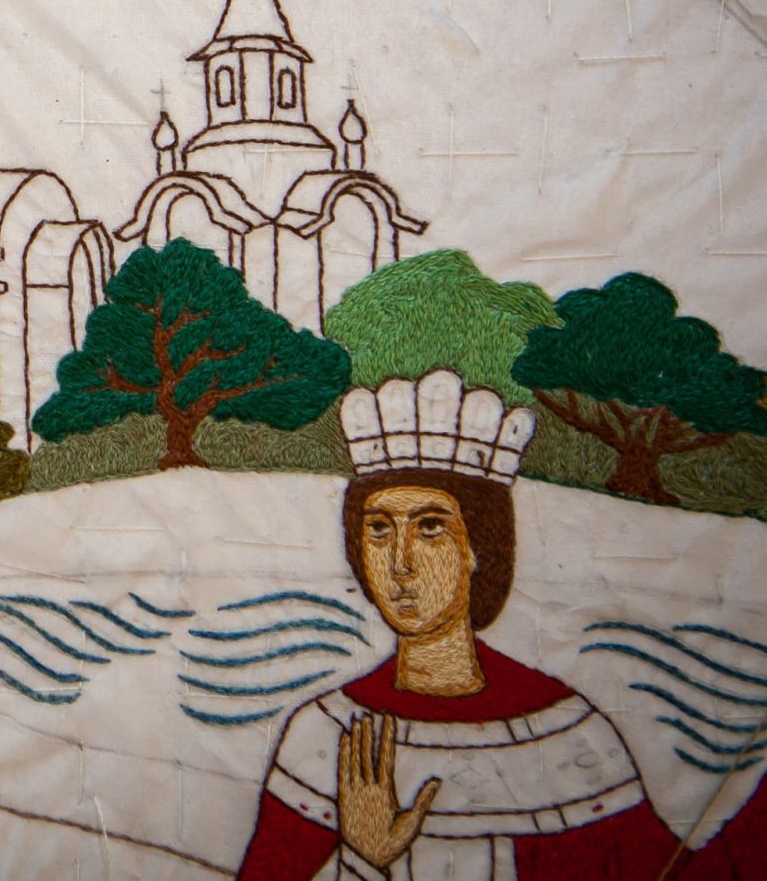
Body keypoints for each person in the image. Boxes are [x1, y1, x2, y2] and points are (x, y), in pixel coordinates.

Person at [235, 370, 766, 880]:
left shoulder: (565, 736)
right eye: (378, 529)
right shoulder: (325, 734)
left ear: (479, 548)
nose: (400, 563)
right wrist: (362, 860)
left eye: (430, 527)